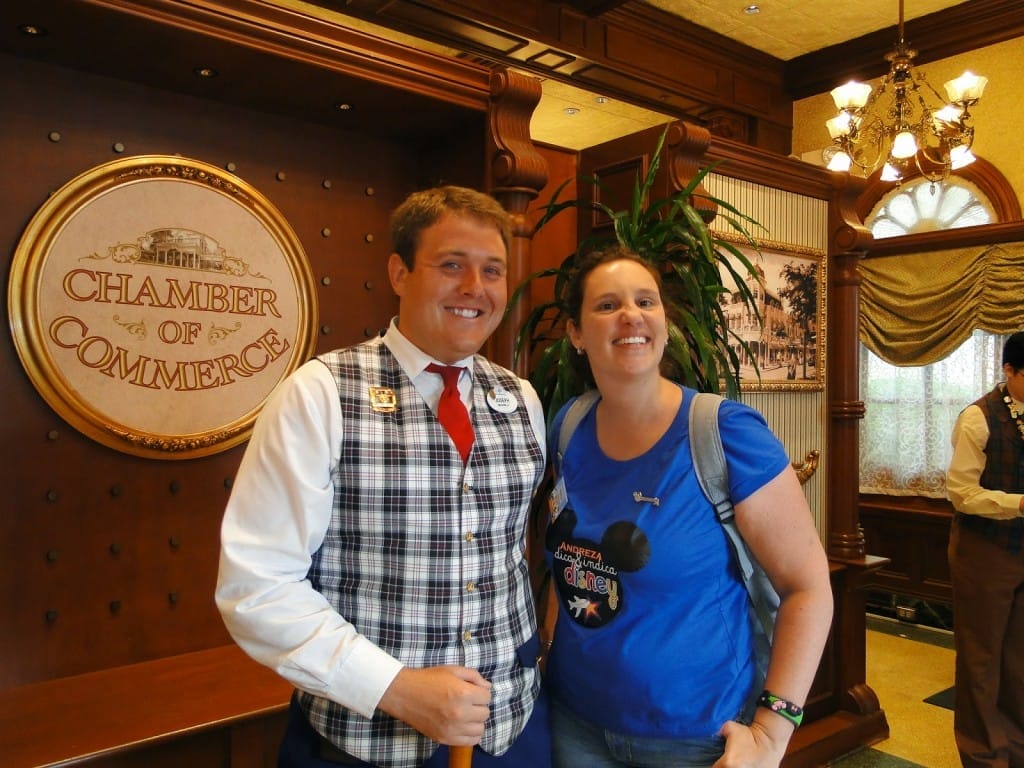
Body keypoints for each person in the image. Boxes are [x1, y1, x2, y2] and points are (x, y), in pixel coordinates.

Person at [216, 186, 551, 768]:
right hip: (360, 747)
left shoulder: (522, 399)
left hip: (511, 733)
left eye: (492, 270)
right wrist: (394, 687)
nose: (475, 287)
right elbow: (258, 586)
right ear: (399, 272)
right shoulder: (320, 393)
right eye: (452, 265)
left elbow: (506, 554)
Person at [542, 245, 833, 768]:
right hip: (575, 724)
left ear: (664, 322)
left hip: (696, 738)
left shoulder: (724, 434)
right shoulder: (568, 426)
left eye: (645, 301)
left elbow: (807, 588)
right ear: (576, 334)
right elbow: (567, 563)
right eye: (607, 305)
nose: (631, 315)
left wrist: (772, 733)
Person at [946, 330, 1024, 768]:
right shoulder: (978, 418)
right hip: (984, 550)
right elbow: (961, 493)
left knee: (1018, 660)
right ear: (1009, 370)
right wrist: (1019, 504)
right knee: (981, 659)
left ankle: (1016, 750)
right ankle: (984, 756)